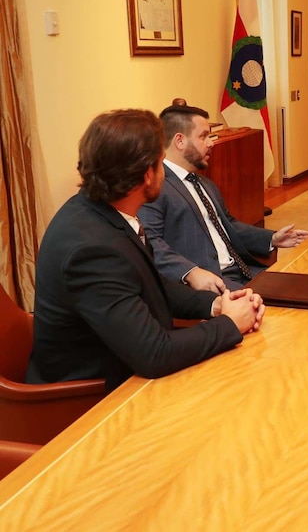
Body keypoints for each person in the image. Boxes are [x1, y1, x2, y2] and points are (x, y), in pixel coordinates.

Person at [27, 109, 266, 391]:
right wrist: (229, 324)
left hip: (128, 366)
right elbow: (154, 354)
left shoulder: (105, 210)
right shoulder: (91, 250)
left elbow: (152, 283)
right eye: (162, 163)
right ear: (146, 175)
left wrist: (215, 305)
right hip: (92, 399)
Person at [138, 100, 308, 293]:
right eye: (204, 136)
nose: (211, 143)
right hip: (210, 283)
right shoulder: (155, 187)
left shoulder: (204, 183)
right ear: (180, 141)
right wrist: (190, 272)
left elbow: (229, 225)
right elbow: (150, 243)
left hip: (245, 272)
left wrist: (272, 238)